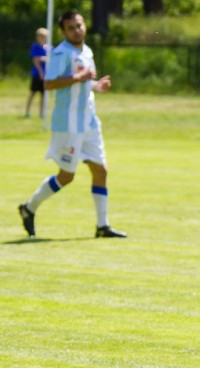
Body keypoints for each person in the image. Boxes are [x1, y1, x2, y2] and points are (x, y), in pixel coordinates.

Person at [17, 10, 126, 239]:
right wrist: (80, 77)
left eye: (79, 25)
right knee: (66, 176)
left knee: (101, 170)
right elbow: (48, 84)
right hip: (68, 124)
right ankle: (29, 207)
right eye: (71, 27)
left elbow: (84, 82)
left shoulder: (87, 51)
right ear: (63, 31)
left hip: (89, 121)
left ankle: (102, 226)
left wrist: (97, 85)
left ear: (84, 25)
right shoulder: (60, 53)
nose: (76, 30)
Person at [25, 28, 49, 119]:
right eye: (40, 36)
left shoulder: (49, 47)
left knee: (43, 95)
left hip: (46, 75)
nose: (41, 38)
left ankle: (41, 113)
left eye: (44, 36)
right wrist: (41, 73)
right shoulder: (35, 46)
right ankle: (27, 112)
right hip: (37, 74)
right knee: (32, 93)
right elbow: (35, 60)